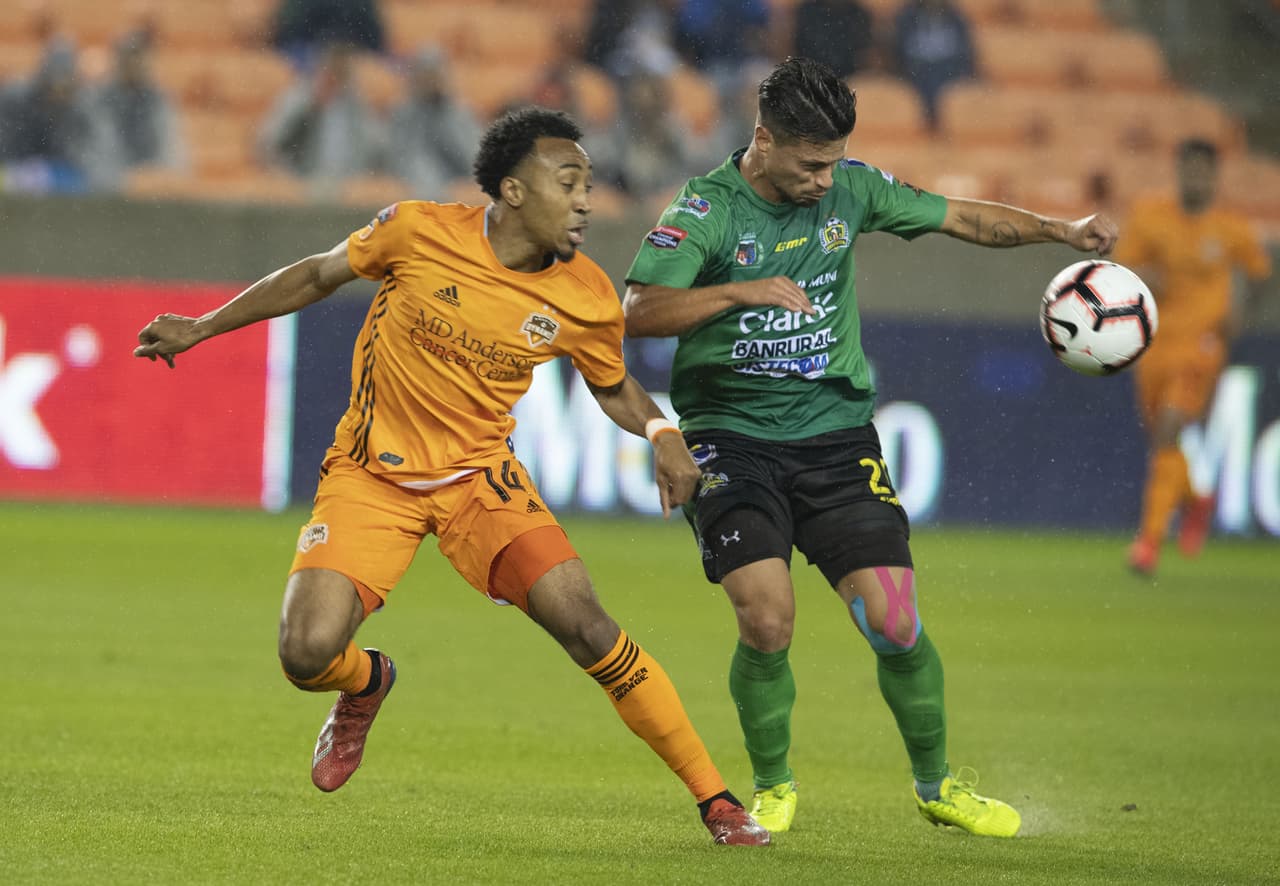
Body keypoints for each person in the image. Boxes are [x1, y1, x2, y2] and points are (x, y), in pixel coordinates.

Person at [134, 107, 769, 847]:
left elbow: (609, 382)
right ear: (513, 190)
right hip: (371, 477)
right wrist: (205, 325)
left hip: (480, 482)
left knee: (590, 627)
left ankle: (717, 801)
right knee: (305, 655)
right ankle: (366, 681)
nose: (587, 200)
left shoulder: (586, 293)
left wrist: (661, 431)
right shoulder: (417, 231)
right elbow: (314, 274)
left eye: (590, 185)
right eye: (569, 182)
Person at [622, 57, 1118, 836]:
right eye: (812, 163)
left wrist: (1059, 232)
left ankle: (937, 785)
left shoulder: (852, 188)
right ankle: (774, 786)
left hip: (833, 437)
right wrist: (740, 291)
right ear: (763, 139)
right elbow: (639, 309)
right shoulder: (705, 210)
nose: (826, 180)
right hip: (729, 440)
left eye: (835, 161)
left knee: (893, 623)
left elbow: (959, 216)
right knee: (766, 619)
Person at [1113, 139, 1272, 576]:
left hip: (1201, 348)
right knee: (1163, 440)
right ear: (1179, 172)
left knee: (1168, 427)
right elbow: (1124, 268)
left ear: (1215, 177)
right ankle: (1196, 497)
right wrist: (1148, 277)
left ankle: (1148, 543)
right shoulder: (1150, 217)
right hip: (1154, 343)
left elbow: (1260, 273)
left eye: (1204, 171)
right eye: (1190, 170)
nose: (1196, 178)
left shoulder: (1231, 227)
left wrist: (1239, 315)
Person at [257, 42, 381, 192]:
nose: (336, 78)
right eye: (332, 70)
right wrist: (311, 107)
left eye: (342, 72)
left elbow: (376, 145)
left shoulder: (356, 105)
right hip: (303, 183)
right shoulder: (298, 98)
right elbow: (269, 142)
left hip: (347, 186)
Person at [385, 47, 479, 199]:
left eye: (434, 75)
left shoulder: (459, 113)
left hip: (454, 183)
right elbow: (397, 157)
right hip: (413, 185)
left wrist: (444, 112)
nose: (430, 81)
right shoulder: (402, 113)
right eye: (425, 75)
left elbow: (470, 160)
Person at [91, 30, 187, 173]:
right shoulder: (102, 97)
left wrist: (161, 173)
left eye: (137, 58)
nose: (132, 64)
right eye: (127, 59)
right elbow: (101, 145)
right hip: (112, 176)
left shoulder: (157, 98)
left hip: (151, 174)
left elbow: (169, 145)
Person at [892, 0, 974, 130]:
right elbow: (896, 57)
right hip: (914, 80)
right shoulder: (906, 18)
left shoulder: (957, 18)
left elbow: (966, 59)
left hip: (949, 80)